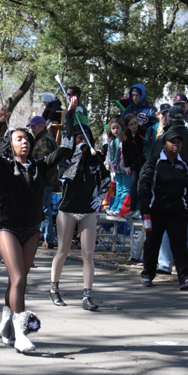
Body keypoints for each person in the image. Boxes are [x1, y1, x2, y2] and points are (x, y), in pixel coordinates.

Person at [0, 100, 75, 353]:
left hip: (31, 230)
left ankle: (6, 320)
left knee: (18, 282)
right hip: (8, 228)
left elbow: (67, 147)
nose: (24, 142)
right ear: (11, 145)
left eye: (26, 139)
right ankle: (21, 333)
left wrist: (68, 114)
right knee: (19, 278)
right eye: (18, 139)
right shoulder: (4, 167)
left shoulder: (40, 166)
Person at [49, 126, 110, 311]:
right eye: (78, 138)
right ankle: (54, 288)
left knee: (88, 254)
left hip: (87, 210)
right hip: (67, 210)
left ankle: (87, 295)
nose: (82, 141)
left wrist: (99, 198)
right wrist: (75, 153)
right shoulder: (66, 158)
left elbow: (106, 180)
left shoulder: (95, 159)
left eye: (85, 137)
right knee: (63, 251)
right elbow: (65, 176)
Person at [138, 128, 188, 290]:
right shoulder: (154, 162)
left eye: (178, 143)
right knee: (152, 242)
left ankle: (185, 276)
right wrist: (144, 207)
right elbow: (144, 184)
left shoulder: (183, 164)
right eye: (172, 142)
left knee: (179, 244)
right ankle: (147, 274)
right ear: (164, 144)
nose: (176, 145)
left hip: (178, 211)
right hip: (156, 209)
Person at [29, 115, 59, 246]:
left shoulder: (45, 140)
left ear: (42, 126)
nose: (32, 130)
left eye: (34, 127)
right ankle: (44, 235)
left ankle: (48, 238)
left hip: (45, 180)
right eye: (32, 128)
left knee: (44, 209)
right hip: (44, 179)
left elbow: (43, 161)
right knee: (42, 208)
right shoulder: (42, 139)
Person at [104, 117, 128, 216]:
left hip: (125, 167)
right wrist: (107, 163)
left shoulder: (124, 139)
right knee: (118, 188)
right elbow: (109, 153)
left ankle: (122, 208)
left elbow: (127, 153)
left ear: (121, 128)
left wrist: (128, 165)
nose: (115, 130)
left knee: (125, 188)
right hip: (116, 168)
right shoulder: (111, 140)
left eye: (117, 128)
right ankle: (115, 207)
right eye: (113, 128)